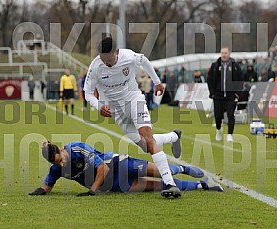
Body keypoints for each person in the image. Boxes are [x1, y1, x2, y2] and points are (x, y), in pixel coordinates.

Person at [84, 36, 182, 198]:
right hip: (117, 112)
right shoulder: (95, 67)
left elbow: (143, 60)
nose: (106, 63)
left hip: (134, 102)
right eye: (103, 59)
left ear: (117, 52)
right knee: (145, 146)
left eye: (109, 59)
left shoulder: (127, 56)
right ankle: (173, 136)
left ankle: (170, 184)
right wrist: (99, 106)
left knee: (148, 140)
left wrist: (157, 82)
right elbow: (88, 93)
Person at [29, 140, 223, 196]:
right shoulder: (56, 168)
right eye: (57, 163)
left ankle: (182, 168)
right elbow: (47, 186)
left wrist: (92, 191)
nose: (61, 164)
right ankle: (204, 186)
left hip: (118, 164)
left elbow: (102, 168)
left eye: (60, 159)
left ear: (62, 149)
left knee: (160, 172)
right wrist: (39, 191)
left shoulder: (77, 148)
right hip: (117, 185)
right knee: (158, 186)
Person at [207, 47, 243, 142]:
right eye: (222, 53)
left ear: (229, 54)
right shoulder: (215, 65)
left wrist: (237, 93)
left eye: (226, 53)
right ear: (220, 53)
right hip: (218, 95)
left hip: (231, 95)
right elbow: (209, 80)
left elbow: (240, 79)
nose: (224, 55)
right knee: (218, 116)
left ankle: (230, 135)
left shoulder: (235, 66)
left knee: (231, 115)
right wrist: (212, 93)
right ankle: (218, 130)